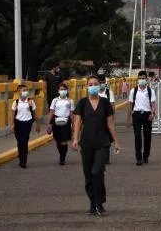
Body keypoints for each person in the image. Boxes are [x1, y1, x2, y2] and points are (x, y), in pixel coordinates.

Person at [72, 75, 121, 216]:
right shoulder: (82, 103)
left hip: (103, 143)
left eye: (95, 83)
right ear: (86, 86)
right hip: (86, 143)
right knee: (88, 175)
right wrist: (75, 139)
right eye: (90, 84)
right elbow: (78, 122)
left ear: (99, 86)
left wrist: (116, 142)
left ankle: (100, 202)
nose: (93, 86)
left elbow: (110, 124)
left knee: (97, 171)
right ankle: (93, 204)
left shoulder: (105, 103)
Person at [126, 71, 156, 166]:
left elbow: (153, 104)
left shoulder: (151, 91)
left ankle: (146, 156)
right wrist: (129, 118)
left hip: (147, 115)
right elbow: (130, 104)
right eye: (140, 78)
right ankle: (138, 158)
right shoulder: (133, 91)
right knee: (137, 136)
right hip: (137, 115)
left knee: (147, 137)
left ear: (147, 79)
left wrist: (152, 113)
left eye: (143, 78)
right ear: (137, 79)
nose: (141, 80)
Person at [10, 84, 40, 168]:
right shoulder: (15, 103)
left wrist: (38, 124)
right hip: (18, 124)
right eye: (24, 90)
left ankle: (24, 161)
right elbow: (12, 115)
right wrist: (11, 124)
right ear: (19, 92)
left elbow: (35, 114)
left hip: (27, 124)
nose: (26, 92)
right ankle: (21, 159)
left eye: (27, 90)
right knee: (19, 142)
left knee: (24, 142)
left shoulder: (30, 102)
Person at [47, 83, 74, 165]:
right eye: (61, 89)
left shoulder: (70, 101)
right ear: (58, 91)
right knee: (58, 141)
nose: (63, 91)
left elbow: (71, 113)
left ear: (66, 91)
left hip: (66, 122)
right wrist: (49, 123)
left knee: (64, 142)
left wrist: (74, 124)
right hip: (56, 122)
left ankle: (62, 158)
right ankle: (61, 155)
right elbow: (51, 112)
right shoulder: (55, 100)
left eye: (64, 89)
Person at [98, 74, 115, 165]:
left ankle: (106, 157)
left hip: (106, 119)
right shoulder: (93, 93)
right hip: (96, 120)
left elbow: (112, 106)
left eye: (103, 82)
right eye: (100, 83)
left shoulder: (109, 93)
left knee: (106, 139)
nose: (101, 84)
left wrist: (111, 119)